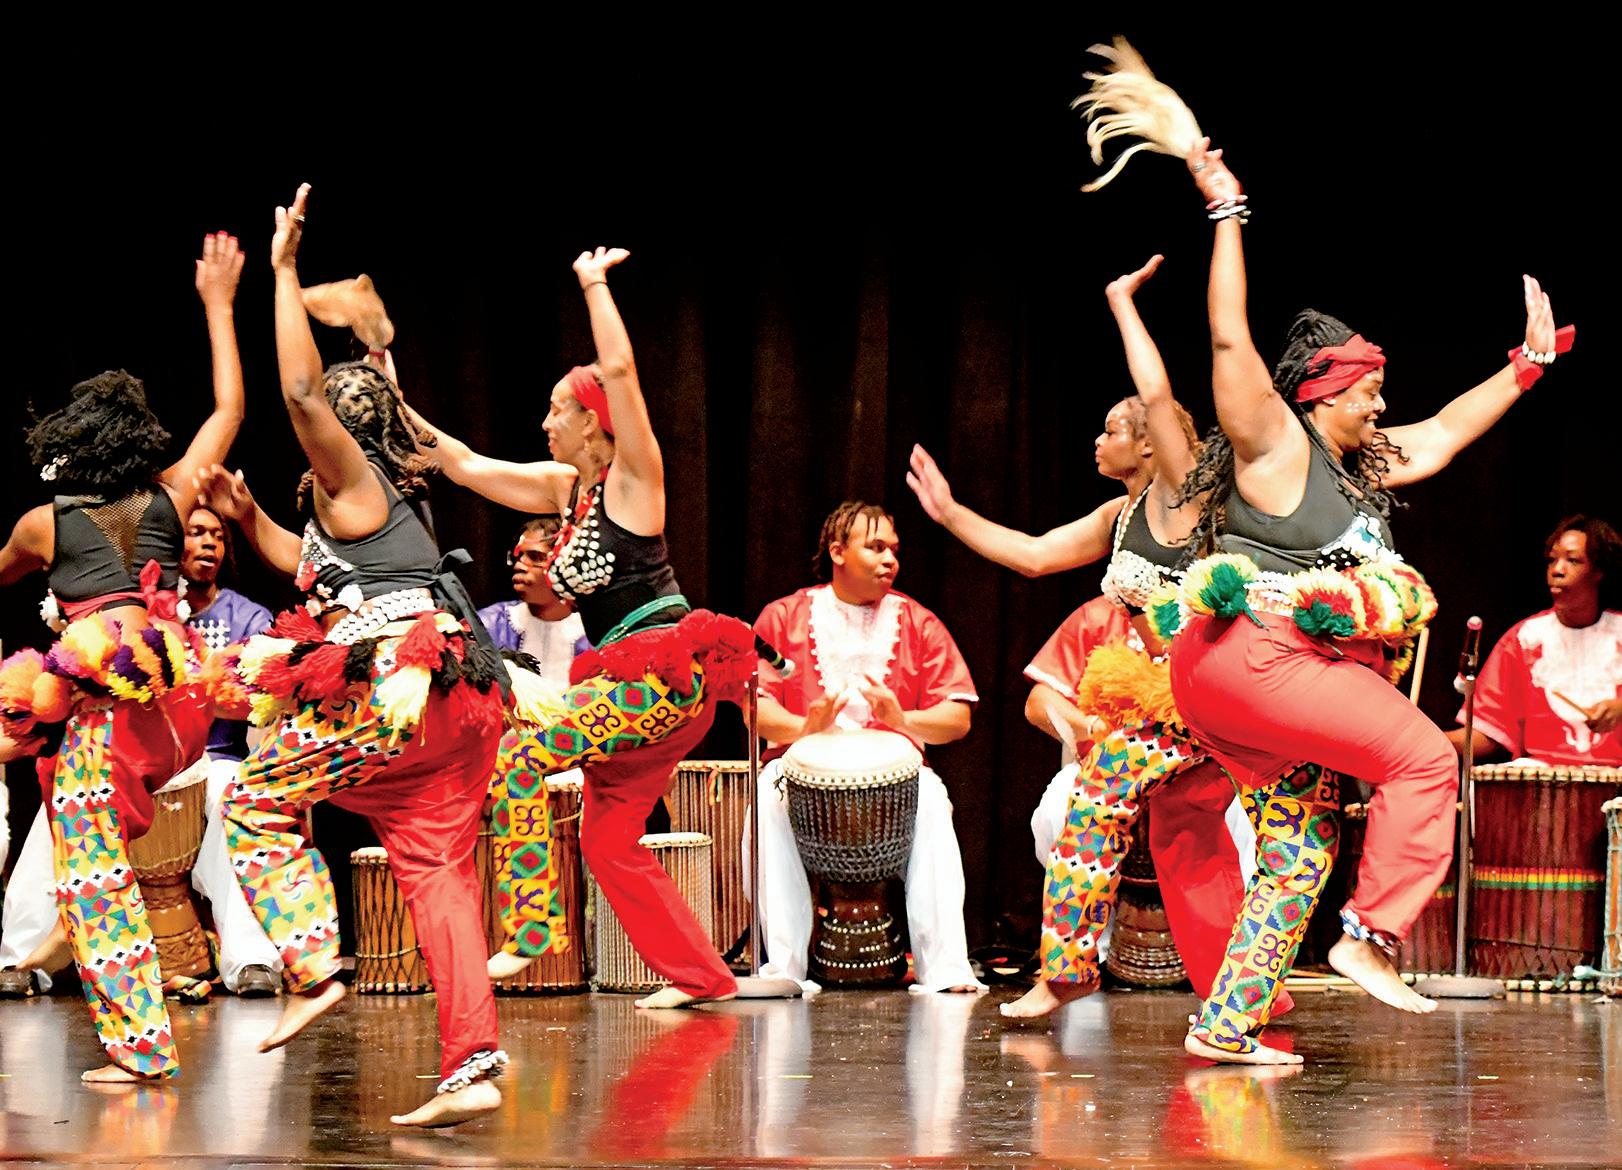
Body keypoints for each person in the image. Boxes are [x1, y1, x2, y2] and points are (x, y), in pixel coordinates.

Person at [1156, 137, 1568, 1064]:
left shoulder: (1360, 470)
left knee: (1300, 847)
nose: (1382, 408)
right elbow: (1228, 339)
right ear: (1322, 393)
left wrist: (1528, 365)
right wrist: (1226, 214)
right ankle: (1371, 937)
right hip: (1258, 655)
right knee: (1422, 760)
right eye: (1369, 393)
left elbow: (1446, 432)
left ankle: (1226, 1024)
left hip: (1249, 688)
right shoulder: (1276, 446)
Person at [196, 185, 512, 1126]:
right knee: (436, 874)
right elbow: (316, 571)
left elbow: (300, 393)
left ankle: (312, 965)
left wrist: (284, 270)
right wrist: (248, 517)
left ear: (344, 428)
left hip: (392, 691)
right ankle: (471, 1064)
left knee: (255, 800)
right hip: (457, 707)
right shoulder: (383, 504)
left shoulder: (352, 477)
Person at [397, 245, 754, 1009]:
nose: (544, 421)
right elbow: (460, 462)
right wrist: (389, 388)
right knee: (607, 842)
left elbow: (620, 372)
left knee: (519, 755)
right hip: (632, 687)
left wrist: (593, 285)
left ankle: (531, 929)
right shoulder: (567, 489)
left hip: (662, 678)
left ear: (591, 419)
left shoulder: (635, 478)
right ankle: (704, 978)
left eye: (557, 408)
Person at [909, 258, 1258, 1020]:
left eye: (1111, 429)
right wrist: (950, 514)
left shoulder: (1180, 493)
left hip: (1200, 691)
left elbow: (1157, 393)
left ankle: (1066, 973)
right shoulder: (1119, 516)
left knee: (1094, 806)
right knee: (1192, 847)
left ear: (1148, 444)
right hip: (1175, 703)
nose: (1096, 440)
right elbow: (1034, 555)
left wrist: (1120, 304)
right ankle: (1247, 995)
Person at [0, 232, 247, 1077]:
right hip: (181, 709)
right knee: (102, 867)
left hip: (108, 718)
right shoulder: (172, 496)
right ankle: (138, 1029)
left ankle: (140, 1048)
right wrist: (218, 304)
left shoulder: (45, 524)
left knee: (93, 880)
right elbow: (229, 413)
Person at [0, 505, 281, 999]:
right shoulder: (125, 605)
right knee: (62, 807)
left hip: (212, 759)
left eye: (216, 535)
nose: (207, 543)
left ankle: (252, 959)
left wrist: (206, 686)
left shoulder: (245, 617)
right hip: (123, 755)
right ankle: (20, 959)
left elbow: (259, 702)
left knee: (235, 803)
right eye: (194, 533)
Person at [749, 501, 984, 993]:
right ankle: (784, 968)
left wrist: (903, 720)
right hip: (796, 768)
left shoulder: (917, 622)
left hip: (897, 777)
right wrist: (804, 726)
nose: (889, 560)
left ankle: (945, 968)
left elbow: (957, 717)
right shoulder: (783, 617)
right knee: (766, 801)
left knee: (932, 802)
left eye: (894, 550)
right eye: (875, 548)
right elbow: (756, 711)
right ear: (838, 552)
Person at [475, 516, 587, 978]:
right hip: (506, 760)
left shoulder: (594, 628)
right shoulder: (490, 624)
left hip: (580, 762)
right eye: (517, 556)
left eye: (535, 557)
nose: (520, 566)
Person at [1451, 515, 1621, 765]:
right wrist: (1428, 741)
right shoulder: (1525, 639)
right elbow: (1489, 731)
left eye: (1573, 560)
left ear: (1599, 570)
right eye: (1552, 560)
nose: (1557, 570)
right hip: (1541, 776)